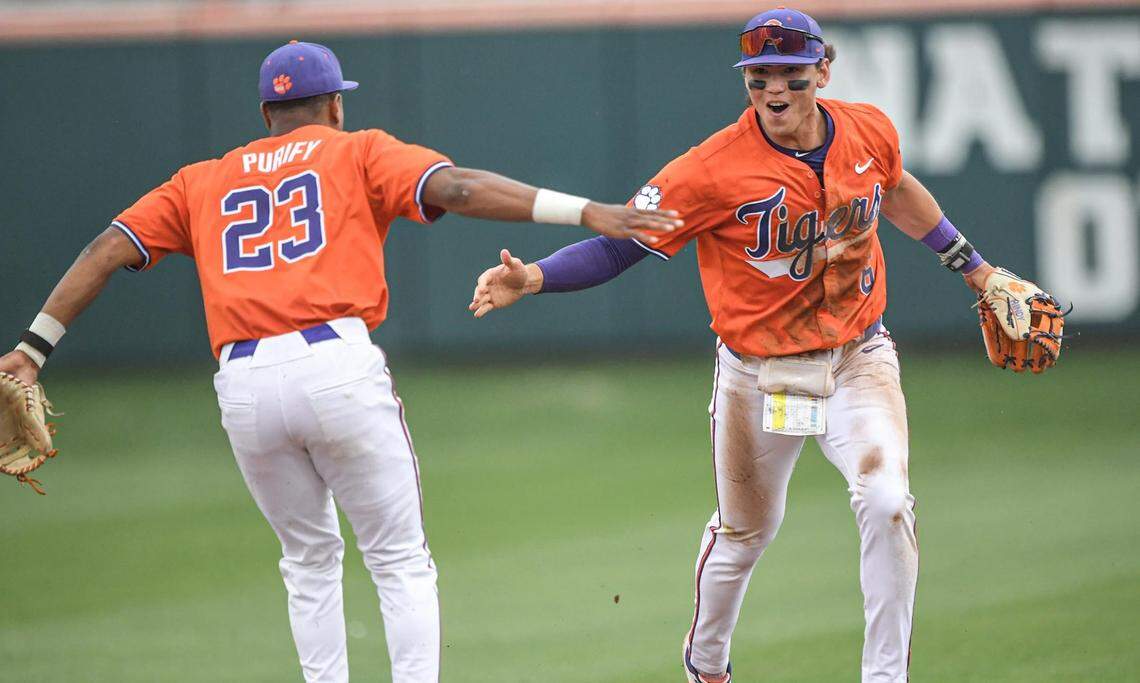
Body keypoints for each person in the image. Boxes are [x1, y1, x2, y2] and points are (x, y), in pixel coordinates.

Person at [0, 41, 679, 683]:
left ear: (266, 113)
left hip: (243, 385)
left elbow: (104, 249)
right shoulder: (357, 151)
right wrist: (587, 210)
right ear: (335, 107)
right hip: (335, 368)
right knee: (399, 558)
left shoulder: (198, 182)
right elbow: (461, 189)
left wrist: (33, 349)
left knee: (308, 560)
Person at [467, 8, 1038, 682]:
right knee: (745, 533)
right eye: (758, 76)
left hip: (859, 355)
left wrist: (974, 267)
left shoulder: (868, 129)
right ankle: (705, 661)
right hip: (760, 373)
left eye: (790, 76)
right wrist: (533, 277)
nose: (773, 91)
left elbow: (895, 187)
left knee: (886, 500)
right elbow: (621, 243)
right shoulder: (710, 170)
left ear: (823, 71)